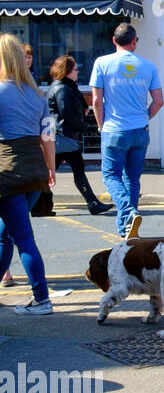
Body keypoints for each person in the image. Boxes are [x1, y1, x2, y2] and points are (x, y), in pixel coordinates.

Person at [90, 23, 163, 239]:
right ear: (134, 41)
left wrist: (101, 125)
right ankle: (125, 227)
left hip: (114, 129)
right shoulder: (148, 66)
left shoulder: (102, 63)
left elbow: (96, 100)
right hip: (140, 129)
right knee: (132, 177)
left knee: (111, 175)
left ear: (114, 40)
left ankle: (128, 211)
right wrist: (144, 117)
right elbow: (158, 101)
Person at [0, 35, 56, 315]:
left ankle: (42, 299)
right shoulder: (38, 94)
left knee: (22, 237)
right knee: (5, 234)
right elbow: (48, 137)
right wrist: (51, 169)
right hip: (35, 172)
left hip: (8, 171)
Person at [46, 56, 112, 216]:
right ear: (67, 71)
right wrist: (84, 126)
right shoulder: (62, 88)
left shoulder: (66, 86)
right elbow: (66, 112)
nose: (78, 71)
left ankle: (42, 206)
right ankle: (93, 204)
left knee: (50, 173)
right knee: (76, 170)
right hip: (64, 137)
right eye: (75, 69)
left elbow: (73, 107)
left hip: (62, 138)